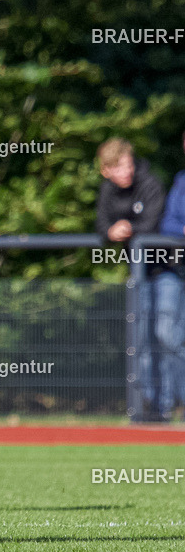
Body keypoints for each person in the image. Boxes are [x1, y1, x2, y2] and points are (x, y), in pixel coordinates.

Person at [94, 138, 165, 421]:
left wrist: (130, 228)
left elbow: (155, 224)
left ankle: (166, 404)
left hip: (165, 269)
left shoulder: (150, 183)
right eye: (119, 166)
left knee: (167, 335)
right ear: (106, 170)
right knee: (143, 338)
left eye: (129, 164)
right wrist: (111, 231)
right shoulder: (108, 190)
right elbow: (100, 225)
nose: (127, 171)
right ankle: (146, 407)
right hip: (138, 273)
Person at [155, 130, 185, 420]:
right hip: (177, 268)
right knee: (167, 336)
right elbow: (168, 224)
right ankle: (168, 404)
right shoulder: (181, 181)